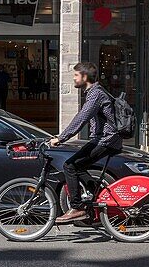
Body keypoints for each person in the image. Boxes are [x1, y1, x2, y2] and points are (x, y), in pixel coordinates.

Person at [48, 62, 121, 225]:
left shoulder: (96, 94)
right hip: (102, 138)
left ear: (85, 77)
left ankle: (77, 208)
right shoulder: (93, 93)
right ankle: (96, 194)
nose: (73, 78)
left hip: (105, 139)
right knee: (77, 166)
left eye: (76, 75)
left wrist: (61, 138)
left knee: (70, 166)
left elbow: (82, 118)